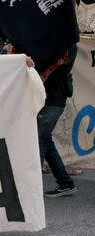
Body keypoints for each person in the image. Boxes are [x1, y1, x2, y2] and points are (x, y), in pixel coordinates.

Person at [39, 46, 77, 197]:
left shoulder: (66, 45)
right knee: (46, 142)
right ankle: (65, 183)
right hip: (49, 99)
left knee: (38, 141)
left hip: (53, 100)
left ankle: (30, 191)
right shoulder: (58, 42)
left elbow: (54, 66)